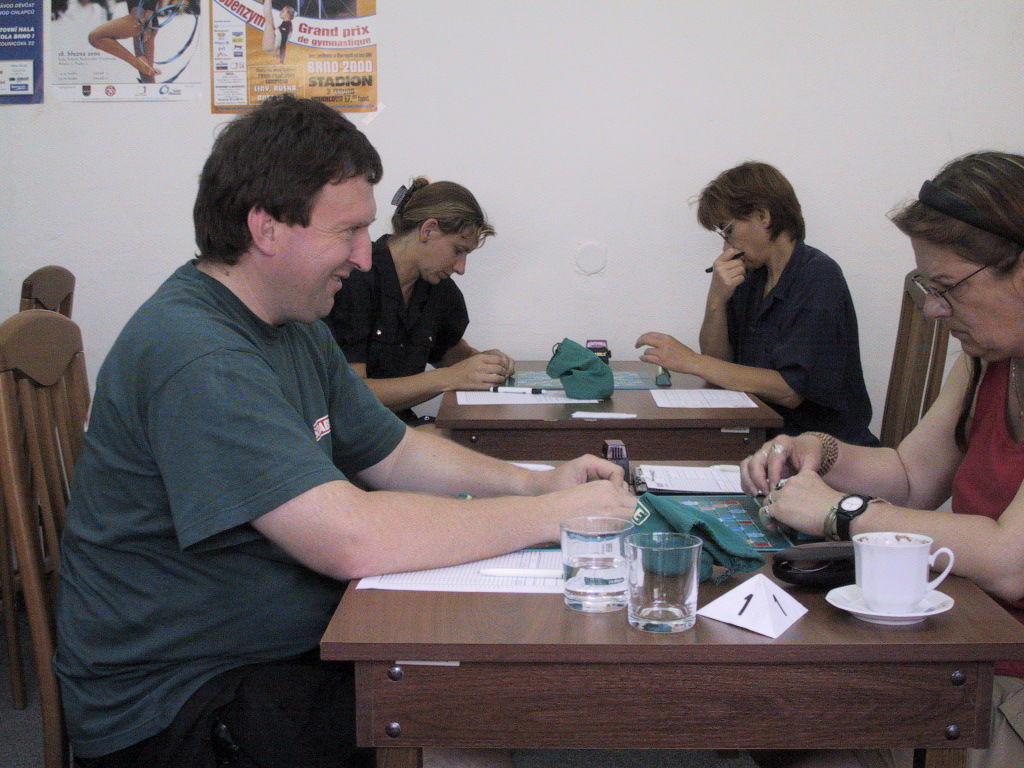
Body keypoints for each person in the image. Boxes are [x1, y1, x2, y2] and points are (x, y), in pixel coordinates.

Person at [54, 94, 635, 767]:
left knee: (475, 702)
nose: (364, 256)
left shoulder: (293, 321)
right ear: (267, 229)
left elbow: (394, 453)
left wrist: (537, 485)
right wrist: (555, 518)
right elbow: (350, 539)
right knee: (464, 737)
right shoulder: (198, 352)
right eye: (349, 232)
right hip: (178, 699)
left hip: (275, 647)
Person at [741, 151, 1024, 768]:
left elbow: (1011, 562)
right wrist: (820, 450)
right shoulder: (989, 362)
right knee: (769, 720)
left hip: (1001, 668)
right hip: (969, 634)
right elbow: (911, 476)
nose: (934, 309)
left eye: (948, 288)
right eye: (929, 289)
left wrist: (840, 512)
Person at [635, 161, 878, 446]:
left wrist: (691, 361)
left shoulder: (819, 277)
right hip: (761, 433)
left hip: (819, 446)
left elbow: (790, 390)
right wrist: (716, 300)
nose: (726, 247)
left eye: (728, 230)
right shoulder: (753, 275)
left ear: (763, 216)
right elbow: (721, 365)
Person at [326, 177, 515, 425]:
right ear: (428, 230)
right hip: (351, 434)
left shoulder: (440, 290)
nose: (461, 268)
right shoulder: (354, 281)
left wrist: (489, 364)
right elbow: (352, 396)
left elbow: (451, 355)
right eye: (458, 250)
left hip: (400, 427)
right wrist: (449, 377)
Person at [87, 0, 164, 81]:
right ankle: (139, 65)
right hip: (142, 18)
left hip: (140, 20)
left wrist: (149, 15)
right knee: (147, 76)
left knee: (95, 37)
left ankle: (137, 63)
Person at [261, 0, 295, 64]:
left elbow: (283, 44)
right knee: (269, 19)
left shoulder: (286, 25)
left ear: (288, 14)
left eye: (282, 11)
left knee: (269, 19)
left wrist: (281, 62)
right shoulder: (287, 24)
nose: (280, 12)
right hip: (272, 46)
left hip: (271, 46)